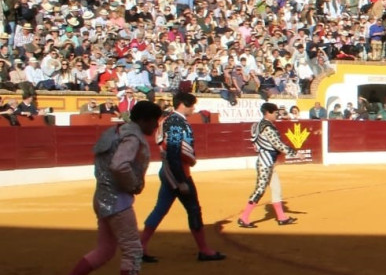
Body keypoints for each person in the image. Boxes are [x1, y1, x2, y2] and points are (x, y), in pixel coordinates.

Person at [67, 101, 162, 275]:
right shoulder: (133, 137)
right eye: (154, 121)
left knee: (105, 250)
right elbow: (119, 165)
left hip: (102, 196)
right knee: (133, 251)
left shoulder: (115, 131)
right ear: (143, 120)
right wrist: (133, 184)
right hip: (118, 201)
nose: (156, 125)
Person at [140, 92, 226, 263]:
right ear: (183, 104)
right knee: (193, 209)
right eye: (192, 105)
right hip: (178, 173)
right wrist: (180, 181)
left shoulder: (169, 119)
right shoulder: (176, 122)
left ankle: (140, 247)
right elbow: (173, 151)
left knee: (160, 209)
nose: (194, 109)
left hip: (168, 171)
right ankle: (204, 250)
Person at [237, 102, 298, 228]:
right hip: (266, 162)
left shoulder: (257, 125)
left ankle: (282, 217)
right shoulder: (268, 127)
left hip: (268, 162)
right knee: (260, 190)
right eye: (275, 113)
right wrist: (294, 152)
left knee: (276, 189)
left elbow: (254, 140)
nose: (277, 115)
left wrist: (259, 146)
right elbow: (278, 144)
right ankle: (244, 218)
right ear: (268, 113)